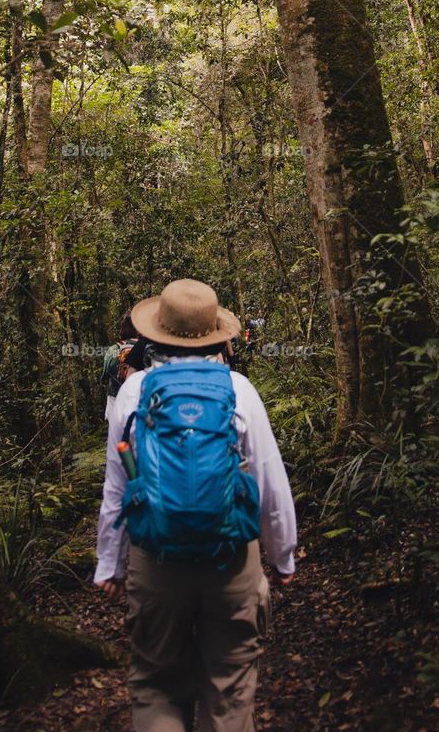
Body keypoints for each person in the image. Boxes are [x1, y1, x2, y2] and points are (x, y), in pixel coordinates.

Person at [94, 278, 297, 732]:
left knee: (156, 684)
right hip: (230, 560)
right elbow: (269, 481)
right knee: (229, 687)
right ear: (216, 333)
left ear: (156, 331)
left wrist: (110, 563)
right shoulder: (239, 389)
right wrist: (282, 556)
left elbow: (116, 484)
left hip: (156, 557)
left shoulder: (134, 391)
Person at [100, 311, 138, 420]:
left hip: (115, 400)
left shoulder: (113, 350)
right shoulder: (145, 348)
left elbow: (105, 374)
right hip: (138, 401)